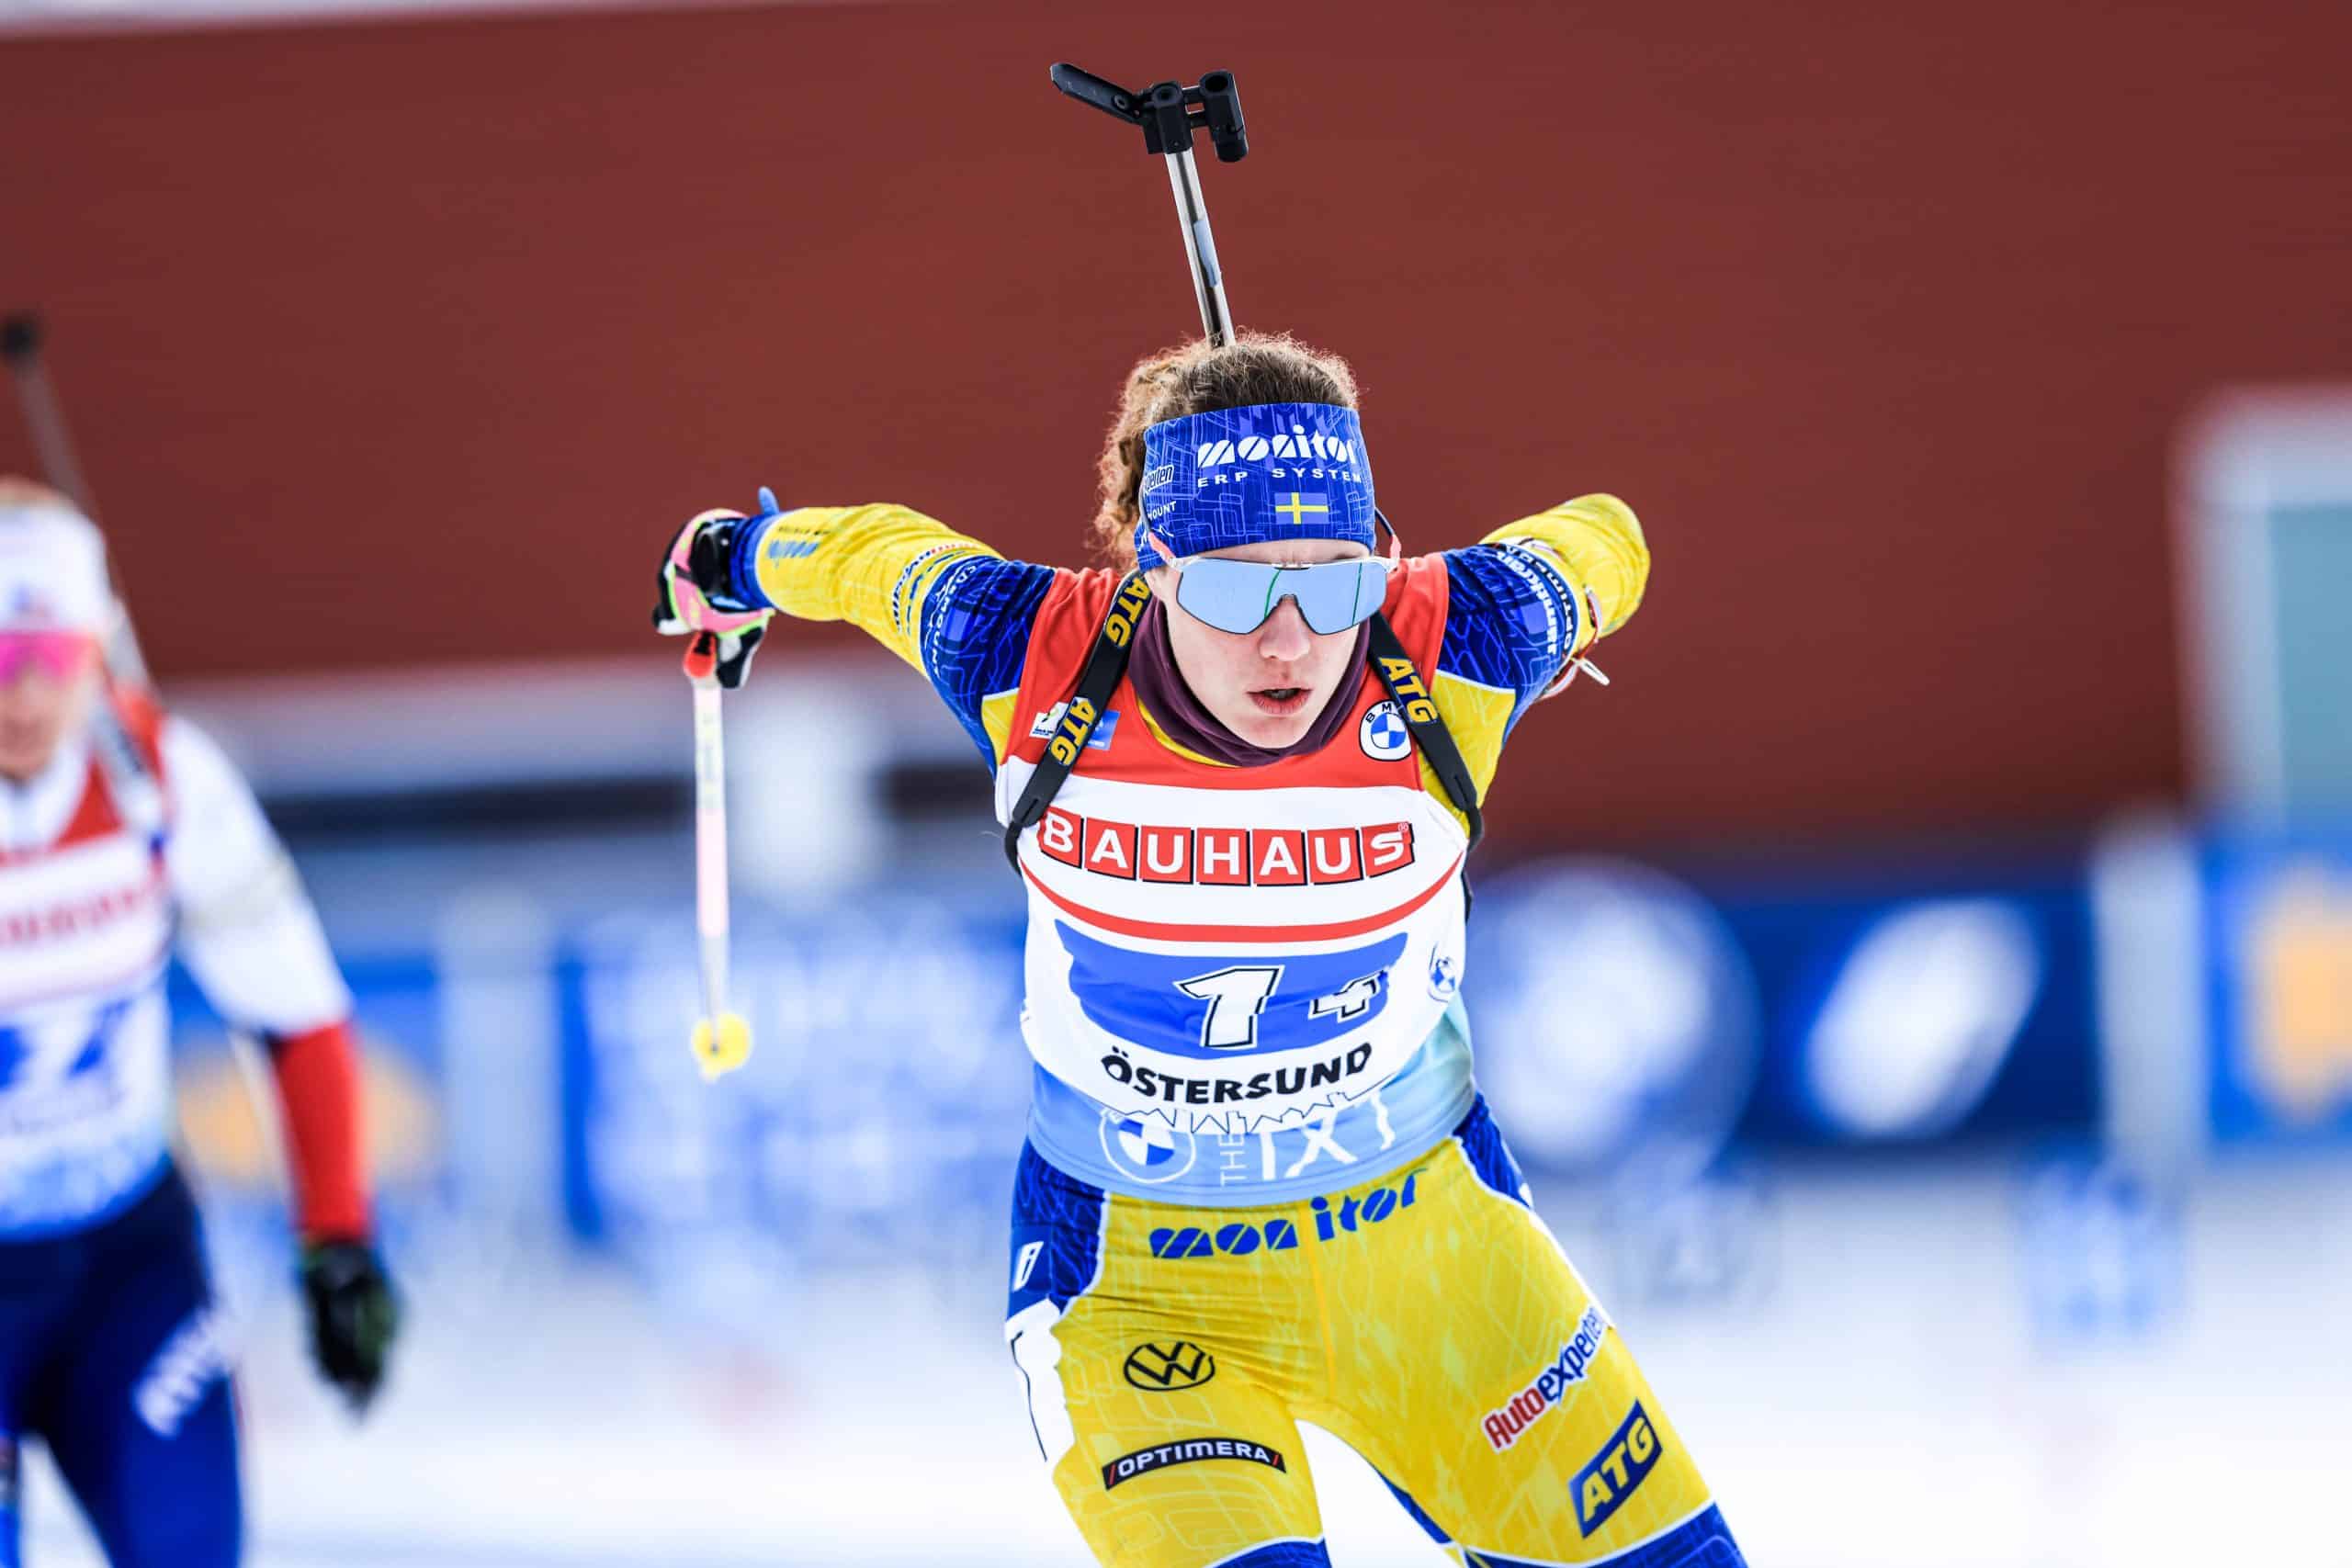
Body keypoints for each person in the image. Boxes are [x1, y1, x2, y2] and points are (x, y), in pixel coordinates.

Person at [655, 334, 1746, 1567]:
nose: (1287, 643)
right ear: (1151, 564)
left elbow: (1612, 534)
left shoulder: (1456, 640)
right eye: (1232, 591)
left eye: (1331, 584)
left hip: (1434, 1259)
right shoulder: (1031, 651)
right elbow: (868, 558)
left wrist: (1544, 583)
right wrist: (731, 558)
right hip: (1143, 1292)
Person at [0, 480, 398, 1567]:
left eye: (50, 658)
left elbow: (300, 1013)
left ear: (97, 650)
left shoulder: (163, 780)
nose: (22, 698)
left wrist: (338, 1237)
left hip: (122, 1263)